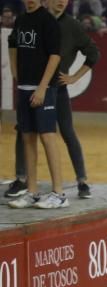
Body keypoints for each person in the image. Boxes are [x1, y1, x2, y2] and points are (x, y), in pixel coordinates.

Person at [7, 0, 99, 202]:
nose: (60, 1)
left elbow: (92, 53)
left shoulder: (71, 24)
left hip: (55, 87)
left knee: (65, 132)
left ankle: (81, 180)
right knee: (24, 132)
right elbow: (13, 42)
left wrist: (74, 77)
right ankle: (22, 179)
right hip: (34, 84)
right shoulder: (28, 19)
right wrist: (16, 72)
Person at [7, 0, 69, 209]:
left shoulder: (48, 21)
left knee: (48, 136)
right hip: (24, 87)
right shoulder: (21, 20)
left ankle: (59, 193)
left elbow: (55, 56)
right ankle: (32, 191)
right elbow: (13, 45)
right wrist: (16, 72)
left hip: (44, 88)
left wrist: (42, 87)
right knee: (27, 137)